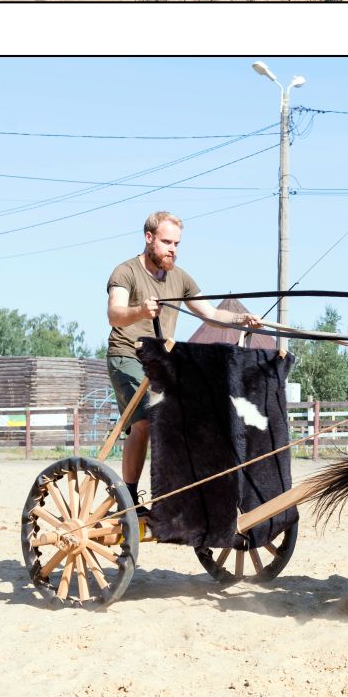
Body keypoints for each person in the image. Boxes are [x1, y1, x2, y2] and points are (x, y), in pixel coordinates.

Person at [106, 211, 263, 511]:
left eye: (176, 243)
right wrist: (139, 311)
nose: (173, 249)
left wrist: (243, 319)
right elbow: (114, 313)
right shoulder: (125, 272)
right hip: (127, 355)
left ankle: (179, 496)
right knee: (145, 421)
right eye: (167, 242)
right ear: (148, 238)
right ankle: (128, 497)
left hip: (161, 362)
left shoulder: (180, 277)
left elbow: (212, 314)